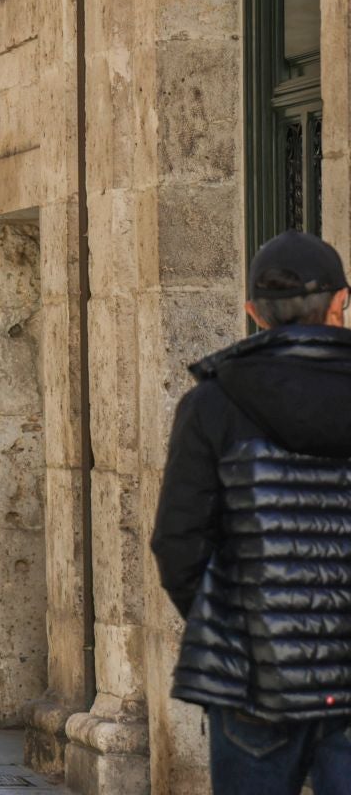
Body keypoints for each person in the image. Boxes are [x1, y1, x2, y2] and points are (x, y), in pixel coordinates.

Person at [151, 231, 351, 794]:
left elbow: (177, 541)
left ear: (253, 313)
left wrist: (228, 622)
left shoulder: (213, 402)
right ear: (341, 302)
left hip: (251, 674)